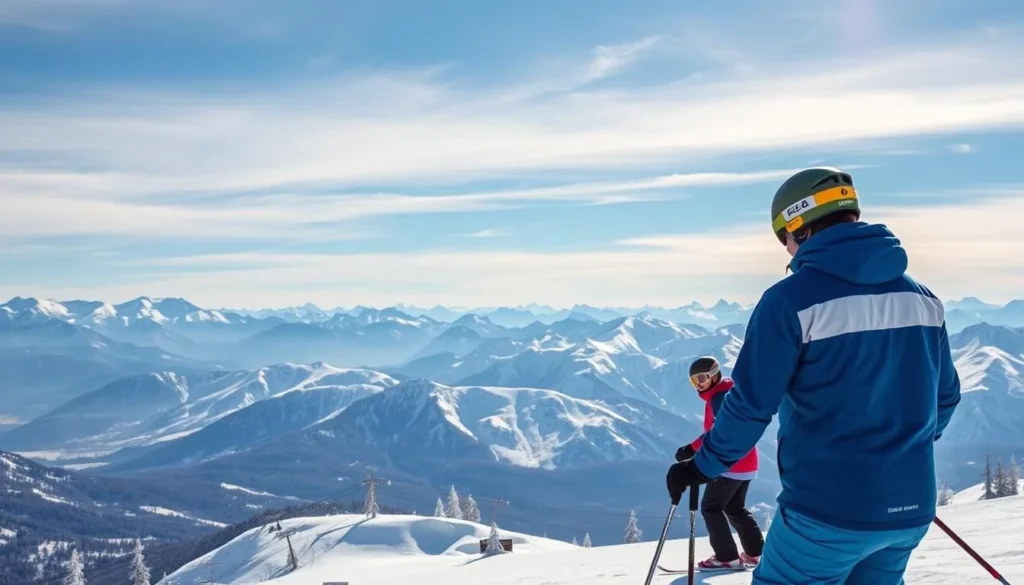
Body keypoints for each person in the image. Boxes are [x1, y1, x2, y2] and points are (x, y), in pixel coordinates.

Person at [665, 167, 962, 584]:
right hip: (908, 510)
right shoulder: (923, 299)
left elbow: (751, 406)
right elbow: (945, 397)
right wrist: (897, 456)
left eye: (783, 238)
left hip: (826, 512)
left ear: (800, 229)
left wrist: (703, 466)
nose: (786, 251)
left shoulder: (790, 301)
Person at [676, 356, 763, 571]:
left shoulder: (719, 398)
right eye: (694, 381)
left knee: (711, 507)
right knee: (735, 507)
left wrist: (692, 449)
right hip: (746, 462)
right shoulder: (727, 393)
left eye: (702, 378)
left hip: (730, 464)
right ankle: (756, 553)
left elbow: (719, 434)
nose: (699, 384)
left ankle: (726, 558)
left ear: (715, 375)